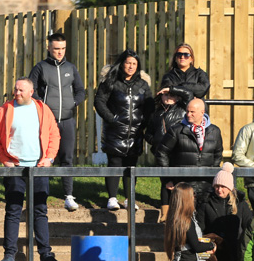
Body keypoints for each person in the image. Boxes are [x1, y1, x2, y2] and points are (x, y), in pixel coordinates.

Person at [0, 78, 62, 261]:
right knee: (13, 210)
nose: (17, 93)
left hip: (39, 168)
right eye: (15, 89)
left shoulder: (43, 109)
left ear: (31, 91)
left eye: (21, 90)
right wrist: (4, 159)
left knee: (40, 211)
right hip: (15, 168)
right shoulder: (4, 109)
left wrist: (49, 158)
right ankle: (10, 254)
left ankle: (45, 255)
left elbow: (54, 135)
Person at [28, 32, 86, 211]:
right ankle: (38, 197)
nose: (60, 52)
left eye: (62, 49)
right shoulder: (40, 67)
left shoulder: (71, 67)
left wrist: (72, 103)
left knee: (67, 158)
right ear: (48, 48)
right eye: (56, 49)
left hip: (67, 120)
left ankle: (68, 196)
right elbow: (32, 89)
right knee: (43, 157)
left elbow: (81, 91)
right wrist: (43, 106)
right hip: (46, 121)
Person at [94, 50, 154, 211]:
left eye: (134, 64)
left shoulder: (142, 84)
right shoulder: (111, 81)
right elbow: (99, 101)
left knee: (131, 166)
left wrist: (143, 123)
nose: (131, 66)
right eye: (128, 63)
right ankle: (112, 198)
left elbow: (149, 106)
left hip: (135, 133)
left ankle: (129, 198)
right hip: (115, 131)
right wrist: (111, 118)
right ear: (122, 64)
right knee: (114, 163)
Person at [155, 98, 223, 207]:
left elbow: (218, 155)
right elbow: (162, 153)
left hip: (206, 187)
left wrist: (212, 176)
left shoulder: (214, 131)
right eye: (187, 111)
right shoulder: (176, 130)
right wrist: (167, 179)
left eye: (192, 112)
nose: (188, 114)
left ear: (202, 112)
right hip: (182, 187)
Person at [196, 163, 253, 261]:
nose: (219, 190)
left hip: (234, 255)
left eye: (223, 186)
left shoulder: (241, 205)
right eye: (216, 186)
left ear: (230, 187)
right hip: (214, 255)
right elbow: (200, 229)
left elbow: (248, 227)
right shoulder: (205, 203)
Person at [164, 183, 217, 261]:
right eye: (192, 195)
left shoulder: (177, 219)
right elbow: (196, 246)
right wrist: (212, 245)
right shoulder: (186, 221)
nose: (194, 197)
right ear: (186, 199)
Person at [144, 91, 187, 221]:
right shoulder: (156, 114)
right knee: (165, 181)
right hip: (161, 152)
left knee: (179, 182)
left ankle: (181, 211)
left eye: (172, 95)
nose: (168, 98)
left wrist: (175, 89)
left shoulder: (182, 110)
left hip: (178, 151)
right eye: (165, 95)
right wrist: (156, 141)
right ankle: (165, 213)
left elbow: (189, 95)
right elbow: (148, 133)